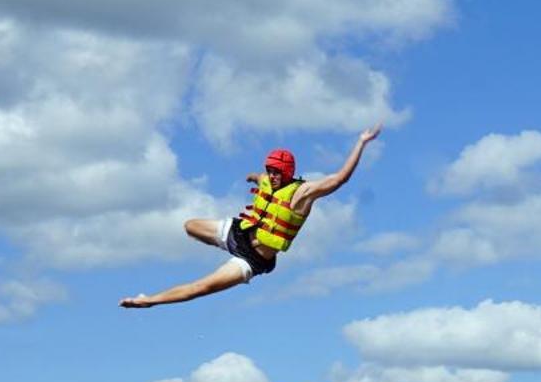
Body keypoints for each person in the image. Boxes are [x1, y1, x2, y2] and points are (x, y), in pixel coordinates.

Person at [120, 125, 381, 309]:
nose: (272, 175)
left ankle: (148, 300)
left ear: (288, 172)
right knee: (190, 226)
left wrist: (361, 142)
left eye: (278, 171)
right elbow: (260, 178)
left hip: (251, 259)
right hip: (238, 232)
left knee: (202, 288)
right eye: (270, 170)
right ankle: (219, 244)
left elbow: (340, 178)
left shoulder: (302, 193)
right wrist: (253, 176)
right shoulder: (267, 179)